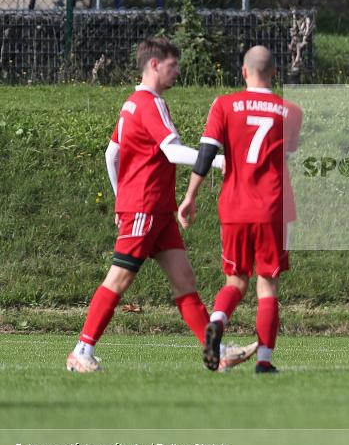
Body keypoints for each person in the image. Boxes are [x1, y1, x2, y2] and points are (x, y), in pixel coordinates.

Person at [66, 38, 256, 373]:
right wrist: (217, 160)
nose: (177, 71)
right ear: (154, 64)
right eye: (173, 65)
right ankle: (82, 351)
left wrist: (120, 199)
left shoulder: (132, 103)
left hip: (157, 211)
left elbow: (111, 154)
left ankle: (218, 352)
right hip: (144, 207)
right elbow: (171, 151)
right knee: (119, 278)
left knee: (184, 280)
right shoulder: (149, 103)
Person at [178, 46, 302, 374]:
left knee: (236, 280)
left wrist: (190, 196)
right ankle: (264, 361)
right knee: (267, 284)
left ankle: (218, 320)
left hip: (235, 206)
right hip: (273, 207)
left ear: (244, 72)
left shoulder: (224, 104)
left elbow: (206, 153)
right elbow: (288, 152)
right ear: (275, 72)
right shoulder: (291, 111)